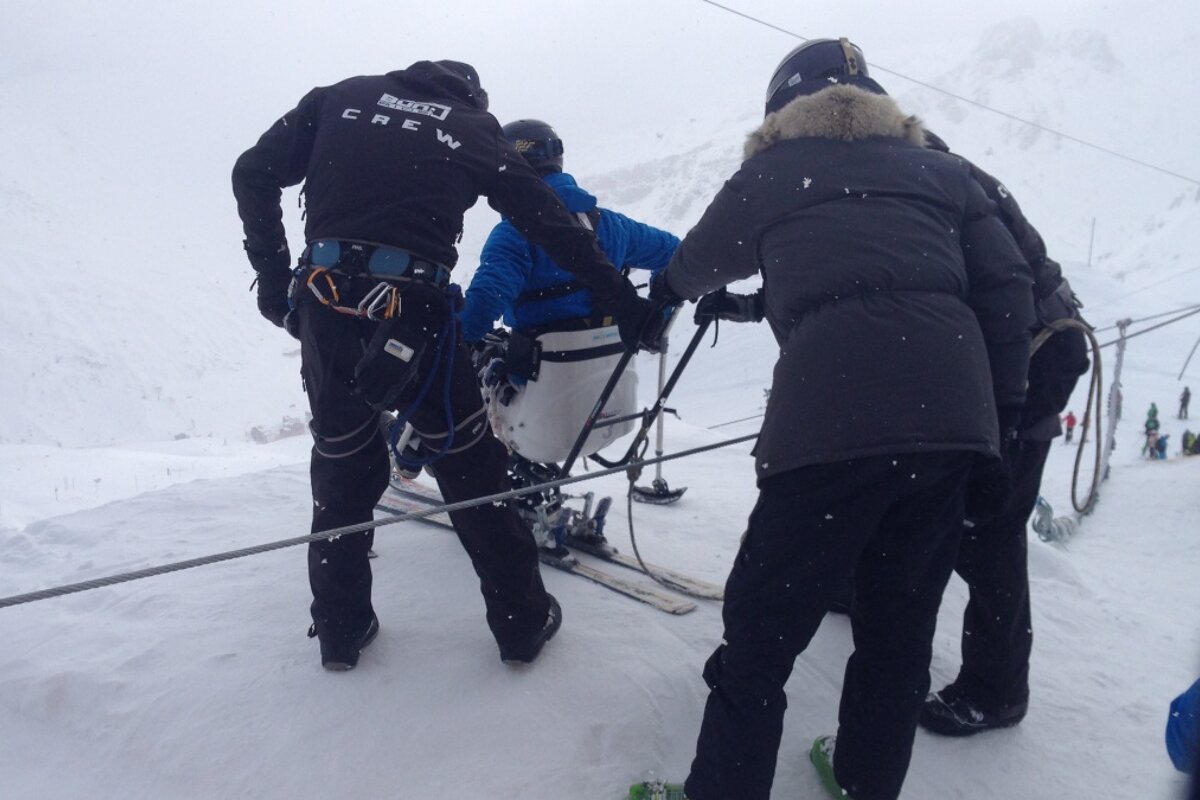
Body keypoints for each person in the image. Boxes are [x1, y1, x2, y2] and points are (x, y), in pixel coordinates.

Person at [637, 38, 1035, 800]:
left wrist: (662, 294)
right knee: (898, 635)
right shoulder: (943, 173)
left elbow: (697, 262)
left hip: (828, 428)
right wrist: (1003, 420)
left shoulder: (773, 171)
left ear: (782, 109)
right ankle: (863, 784)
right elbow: (1005, 288)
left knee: (761, 635)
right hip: (949, 428)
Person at [231, 60, 652, 671]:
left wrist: (275, 282)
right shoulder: (476, 128)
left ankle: (341, 630)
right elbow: (549, 224)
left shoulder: (338, 98)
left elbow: (252, 171)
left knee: (342, 461)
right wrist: (618, 297)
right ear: (472, 95)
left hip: (326, 304)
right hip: (414, 312)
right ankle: (522, 624)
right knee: (469, 464)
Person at [917, 133, 1090, 738]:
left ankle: (996, 691)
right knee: (922, 497)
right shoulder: (926, 172)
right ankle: (863, 592)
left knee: (986, 530)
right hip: (1014, 355)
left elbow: (1004, 300)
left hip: (1029, 363)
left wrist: (1003, 417)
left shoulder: (935, 186)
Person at [457, 120, 679, 529]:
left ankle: (466, 471)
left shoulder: (513, 235)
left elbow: (483, 305)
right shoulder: (613, 226)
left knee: (473, 358)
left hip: (538, 418)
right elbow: (676, 255)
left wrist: (455, 337)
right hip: (609, 414)